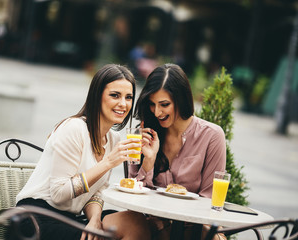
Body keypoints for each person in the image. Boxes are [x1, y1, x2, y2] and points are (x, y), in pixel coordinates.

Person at [14, 64, 150, 240]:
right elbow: (59, 194)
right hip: (36, 217)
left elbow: (96, 193)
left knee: (135, 223)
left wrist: (94, 219)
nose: (123, 104)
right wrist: (107, 163)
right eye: (115, 95)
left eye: (129, 97)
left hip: (71, 216)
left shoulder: (113, 139)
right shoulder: (74, 129)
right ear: (97, 96)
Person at [129, 63, 227, 239]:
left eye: (164, 104)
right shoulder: (143, 135)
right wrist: (148, 162)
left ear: (181, 100)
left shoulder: (212, 136)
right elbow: (133, 197)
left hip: (193, 229)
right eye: (152, 104)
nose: (157, 112)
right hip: (152, 228)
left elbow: (209, 199)